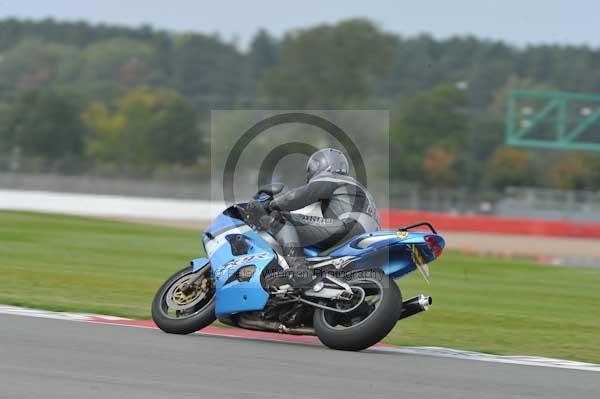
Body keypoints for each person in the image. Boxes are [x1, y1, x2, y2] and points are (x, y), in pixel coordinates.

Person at [253, 148, 380, 289]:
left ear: (323, 164)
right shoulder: (352, 184)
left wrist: (270, 205)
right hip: (362, 234)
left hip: (349, 227)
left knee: (279, 218)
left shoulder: (332, 178)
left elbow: (300, 196)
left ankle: (298, 269)